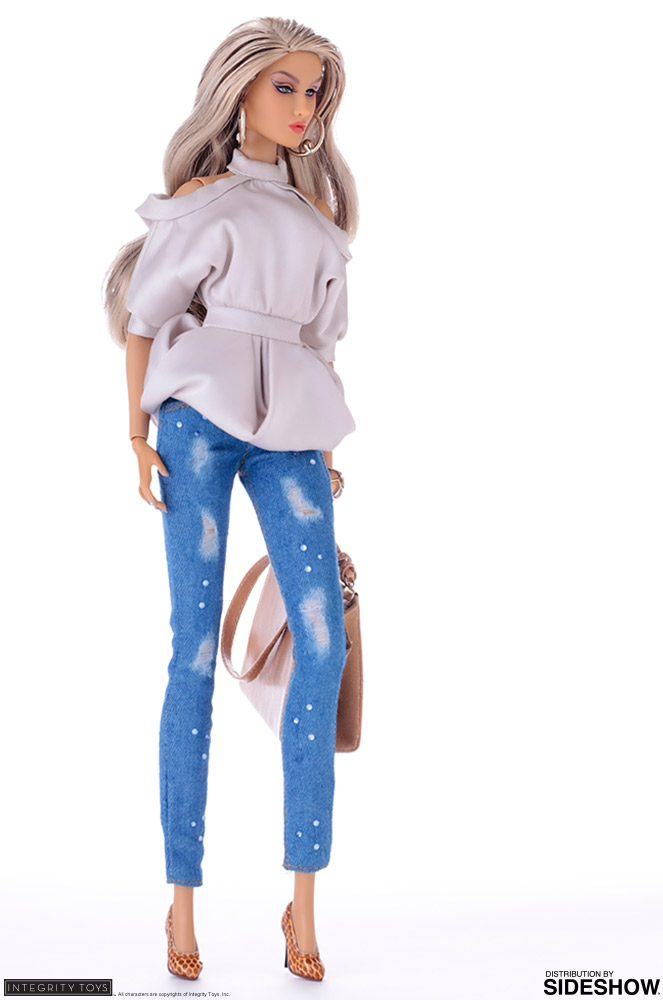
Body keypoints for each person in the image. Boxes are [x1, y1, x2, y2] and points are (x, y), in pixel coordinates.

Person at [102, 15, 358, 983]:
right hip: (196, 424)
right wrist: (135, 434)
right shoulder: (201, 206)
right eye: (285, 86)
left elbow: (323, 341)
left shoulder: (317, 219)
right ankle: (182, 898)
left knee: (321, 642)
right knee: (192, 650)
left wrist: (320, 443)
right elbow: (144, 320)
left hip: (293, 430)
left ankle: (303, 903)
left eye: (313, 91)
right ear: (240, 90)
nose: (302, 106)